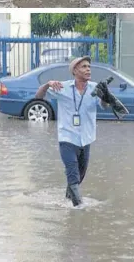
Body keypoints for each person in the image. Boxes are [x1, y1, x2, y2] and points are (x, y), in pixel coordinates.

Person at [34, 56, 108, 207]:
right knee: (72, 173)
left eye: (89, 67)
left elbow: (104, 106)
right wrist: (47, 85)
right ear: (75, 71)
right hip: (67, 138)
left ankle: (67, 201)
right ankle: (78, 209)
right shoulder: (62, 87)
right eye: (84, 67)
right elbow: (38, 96)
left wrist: (105, 95)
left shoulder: (95, 88)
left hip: (86, 139)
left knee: (79, 176)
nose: (88, 69)